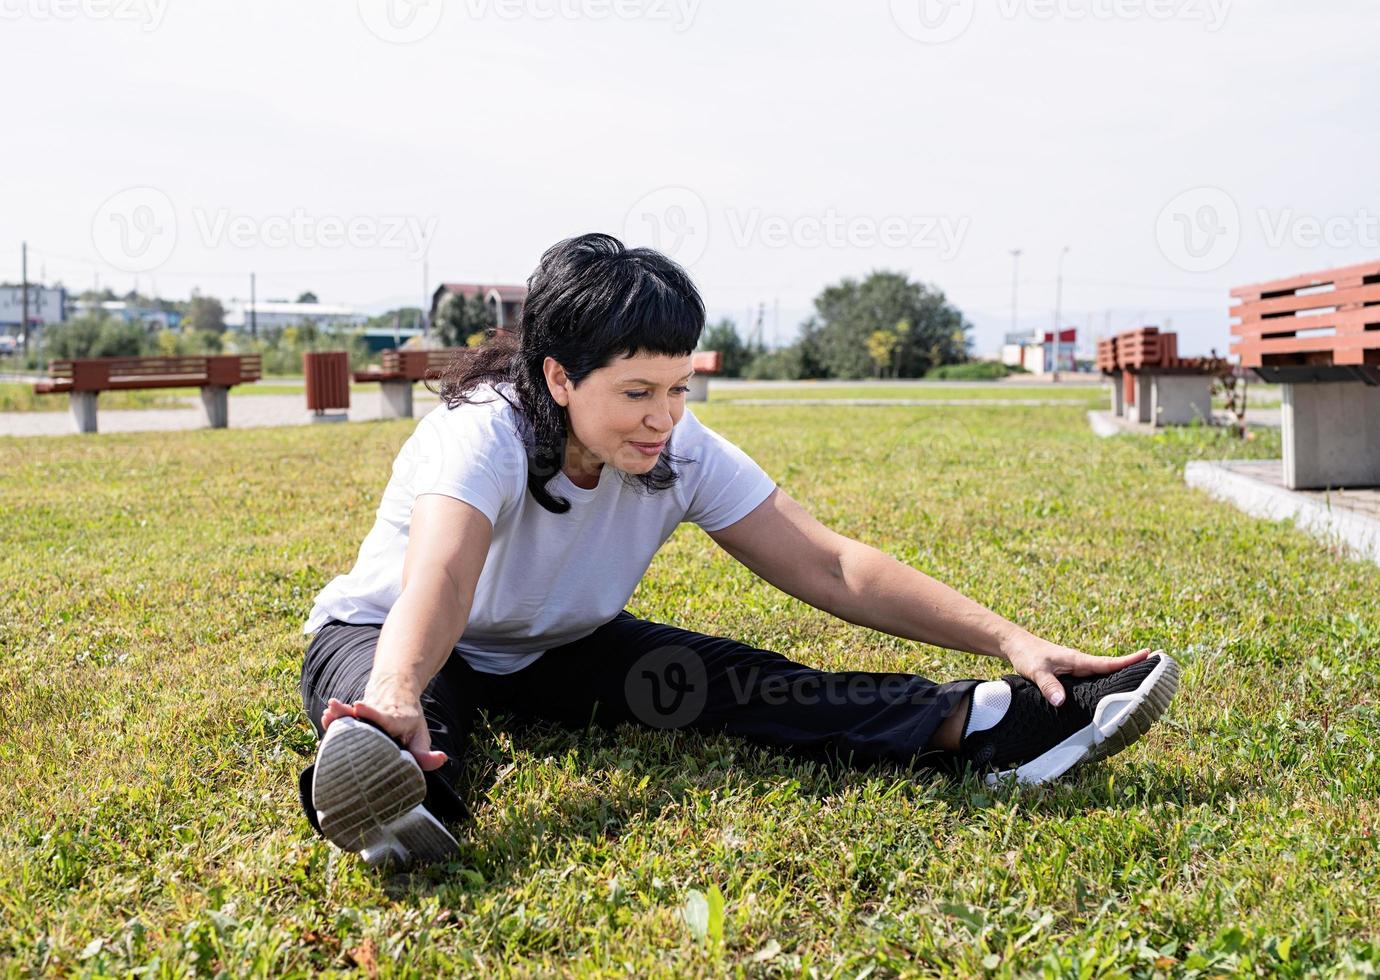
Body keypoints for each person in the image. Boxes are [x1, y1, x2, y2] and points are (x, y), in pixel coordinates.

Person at [297, 232, 1179, 868]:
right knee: (417, 717)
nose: (664, 417)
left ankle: (985, 723)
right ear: (559, 378)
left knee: (738, 680)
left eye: (679, 388)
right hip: (388, 635)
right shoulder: (481, 433)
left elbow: (832, 566)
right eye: (637, 390)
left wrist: (1008, 638)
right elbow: (444, 578)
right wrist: (396, 688)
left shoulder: (678, 451)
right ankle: (400, 800)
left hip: (556, 653)